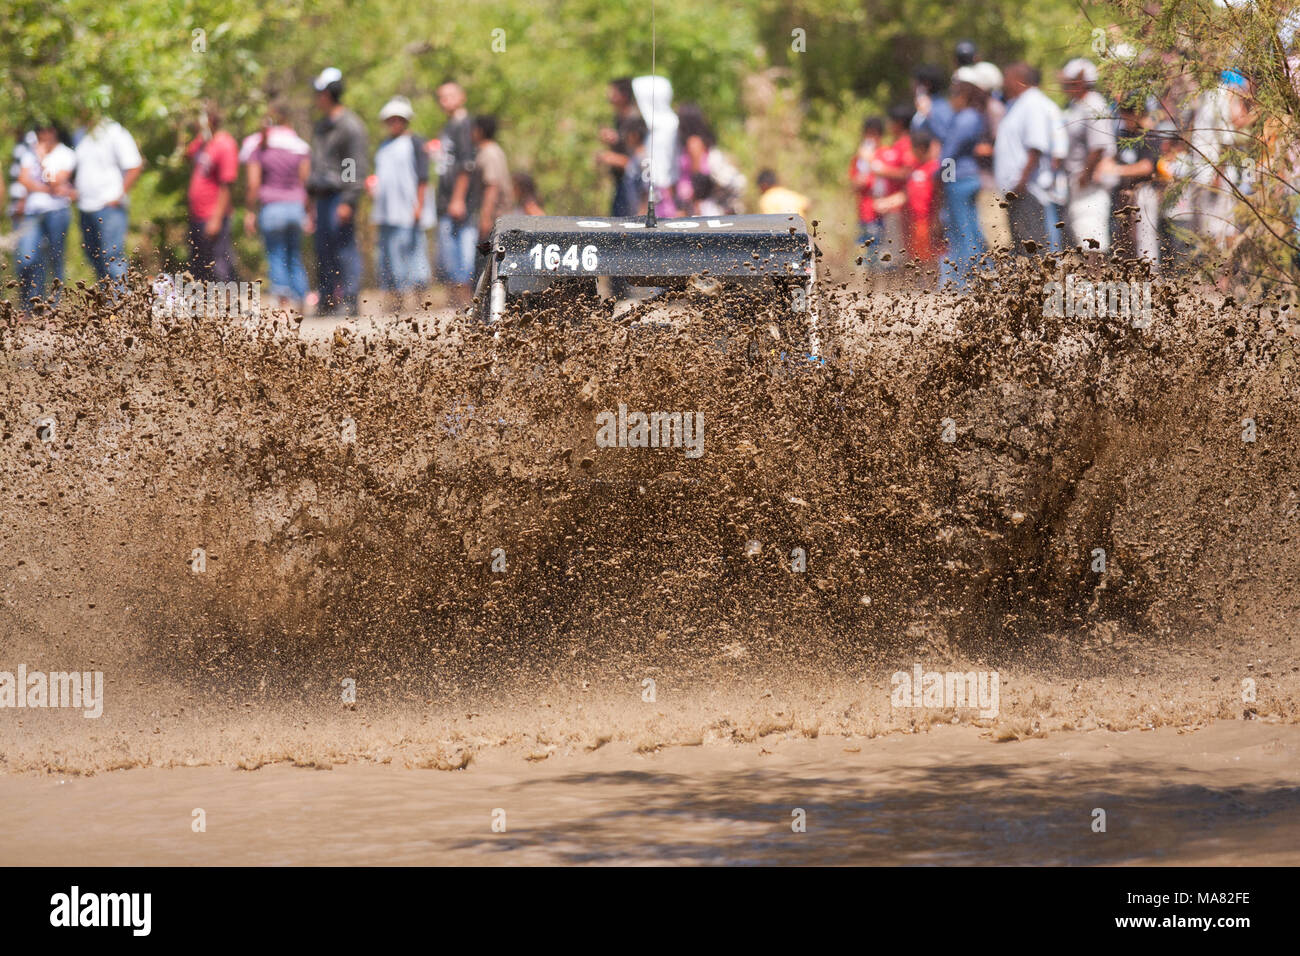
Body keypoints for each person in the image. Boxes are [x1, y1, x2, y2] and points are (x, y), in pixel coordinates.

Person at [306, 67, 368, 316]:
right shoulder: (322, 126)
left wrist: (348, 199)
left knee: (344, 247)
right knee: (323, 249)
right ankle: (327, 298)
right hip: (321, 197)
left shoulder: (349, 126)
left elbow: (353, 164)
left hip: (339, 196)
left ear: (330, 94)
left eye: (319, 92)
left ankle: (350, 299)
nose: (315, 97)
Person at [241, 99, 313, 312]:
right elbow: (305, 182)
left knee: (276, 254)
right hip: (295, 208)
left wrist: (249, 211)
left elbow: (253, 184)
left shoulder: (260, 145)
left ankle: (283, 304)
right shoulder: (299, 146)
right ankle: (302, 299)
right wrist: (309, 212)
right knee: (294, 254)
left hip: (272, 208)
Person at [993, 63, 1061, 253]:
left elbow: (1036, 146)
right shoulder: (1019, 104)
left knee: (1035, 248)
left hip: (1028, 190)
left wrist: (1021, 182)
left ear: (1018, 80)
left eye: (1006, 78)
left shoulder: (1033, 104)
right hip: (1017, 190)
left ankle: (1045, 283)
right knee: (1022, 248)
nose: (1003, 84)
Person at [371, 95, 430, 312]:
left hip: (408, 210)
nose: (394, 123)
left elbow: (423, 177)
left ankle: (419, 301)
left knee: (413, 254)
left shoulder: (415, 142)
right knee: (390, 257)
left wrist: (419, 205)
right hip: (387, 212)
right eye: (391, 119)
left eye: (398, 119)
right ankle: (396, 301)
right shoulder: (383, 145)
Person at [72, 115, 143, 291]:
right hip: (86, 207)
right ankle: (107, 304)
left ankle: (121, 308)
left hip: (110, 208)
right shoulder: (80, 134)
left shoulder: (114, 131)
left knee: (113, 257)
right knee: (93, 256)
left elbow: (134, 165)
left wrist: (118, 196)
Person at [14, 122, 75, 313]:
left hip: (57, 212)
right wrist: (48, 189)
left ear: (53, 131)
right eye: (38, 131)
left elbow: (56, 179)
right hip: (33, 212)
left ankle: (53, 309)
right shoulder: (28, 152)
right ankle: (30, 306)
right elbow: (23, 180)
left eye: (45, 131)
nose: (42, 135)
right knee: (27, 258)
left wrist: (41, 159)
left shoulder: (65, 154)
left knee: (55, 259)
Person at [939, 68, 990, 289]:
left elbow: (949, 153)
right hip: (967, 177)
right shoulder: (973, 116)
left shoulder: (965, 118)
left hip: (960, 179)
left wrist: (942, 177)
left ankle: (965, 281)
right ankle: (982, 276)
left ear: (963, 96)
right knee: (971, 228)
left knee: (963, 231)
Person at [1061, 58, 1117, 252]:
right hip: (1078, 180)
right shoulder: (1077, 105)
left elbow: (1099, 147)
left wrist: (1085, 175)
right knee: (1081, 236)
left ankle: (1097, 281)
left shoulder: (1095, 104)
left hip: (1091, 182)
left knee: (1092, 239)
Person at [433, 81, 479, 303]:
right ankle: (456, 304)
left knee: (463, 256)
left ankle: (467, 303)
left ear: (462, 96)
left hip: (460, 204)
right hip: (445, 202)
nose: (445, 101)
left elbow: (467, 165)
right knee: (448, 258)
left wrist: (458, 199)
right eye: (441, 97)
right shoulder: (449, 126)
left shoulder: (464, 125)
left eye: (450, 95)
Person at [184, 101, 239, 283]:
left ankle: (225, 306)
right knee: (199, 265)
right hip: (197, 215)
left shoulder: (226, 144)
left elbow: (227, 184)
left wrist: (216, 218)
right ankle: (203, 307)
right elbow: (185, 154)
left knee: (218, 263)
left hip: (214, 215)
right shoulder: (203, 143)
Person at [1102, 96, 1160, 265]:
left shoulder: (1149, 135)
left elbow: (1146, 166)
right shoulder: (1124, 135)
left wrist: (1118, 171)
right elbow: (1112, 157)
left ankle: (1150, 276)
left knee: (1145, 238)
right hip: (1123, 194)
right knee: (1124, 238)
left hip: (1143, 192)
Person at [672, 103, 746, 216]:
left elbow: (697, 175)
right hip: (696, 198)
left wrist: (696, 203)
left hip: (695, 200)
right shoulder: (698, 140)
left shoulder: (693, 142)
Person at [872, 104, 916, 266]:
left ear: (899, 123)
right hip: (890, 206)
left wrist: (882, 170)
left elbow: (907, 172)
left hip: (899, 207)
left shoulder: (906, 145)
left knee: (897, 253)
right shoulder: (896, 144)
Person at [595, 78, 642, 217]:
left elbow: (636, 160)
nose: (608, 95)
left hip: (632, 186)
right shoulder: (619, 118)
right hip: (621, 183)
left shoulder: (634, 119)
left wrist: (609, 158)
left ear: (624, 95)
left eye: (612, 92)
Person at [471, 115, 512, 269]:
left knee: (486, 265)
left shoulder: (489, 153)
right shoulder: (491, 151)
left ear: (480, 131)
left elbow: (491, 185)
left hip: (495, 218)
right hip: (496, 218)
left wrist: (486, 218)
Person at [850, 117, 884, 265]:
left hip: (881, 212)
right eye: (867, 134)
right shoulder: (859, 159)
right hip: (864, 211)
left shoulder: (885, 154)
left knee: (881, 254)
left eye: (873, 134)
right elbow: (854, 181)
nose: (870, 138)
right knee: (864, 252)